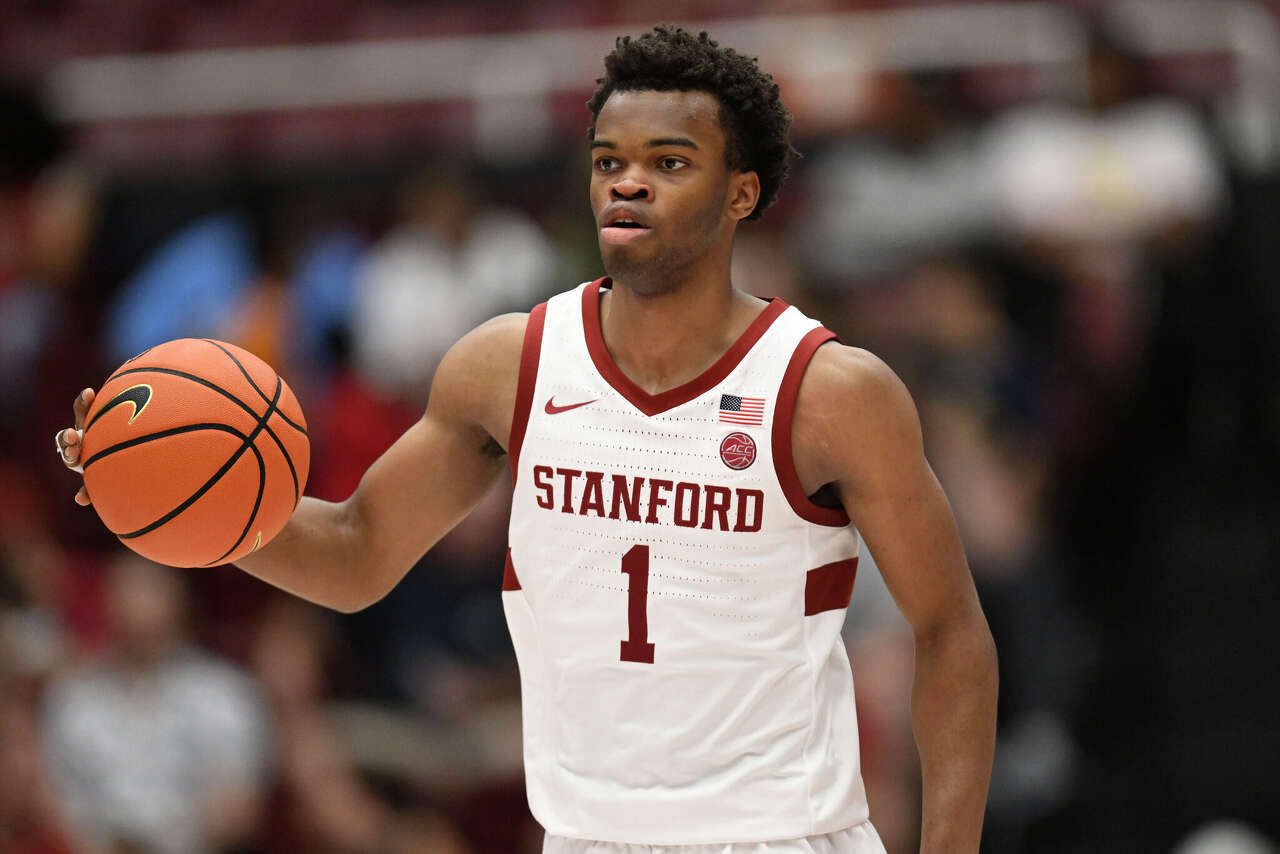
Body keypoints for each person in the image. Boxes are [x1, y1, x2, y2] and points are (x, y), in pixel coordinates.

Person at [58, 27, 997, 854]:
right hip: (584, 838)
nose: (628, 181)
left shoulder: (830, 390)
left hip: (778, 839)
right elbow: (353, 557)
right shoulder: (509, 366)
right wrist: (174, 495)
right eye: (607, 160)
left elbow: (951, 633)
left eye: (669, 162)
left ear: (742, 192)